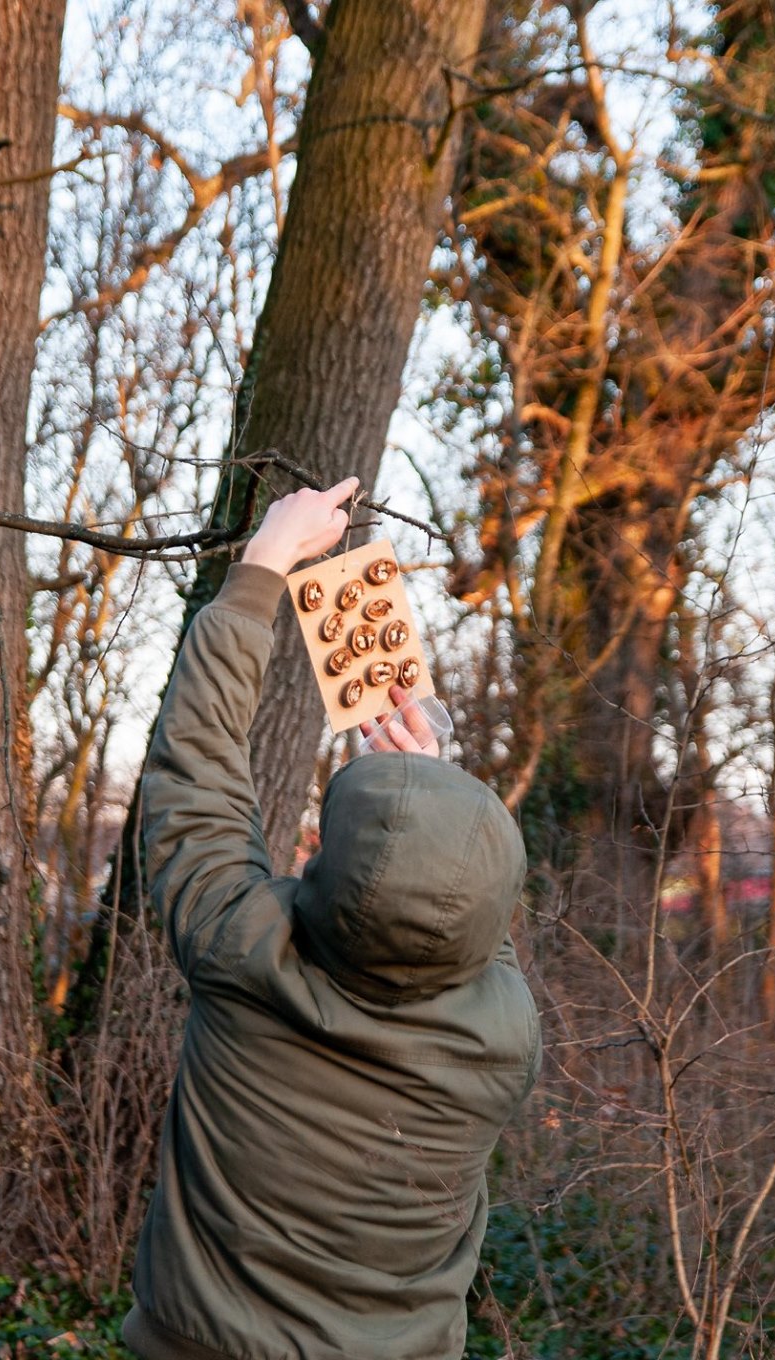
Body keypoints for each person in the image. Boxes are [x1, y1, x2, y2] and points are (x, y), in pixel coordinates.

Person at [122, 478, 541, 1360]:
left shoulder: (239, 949)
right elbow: (461, 904)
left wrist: (264, 564)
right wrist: (426, 791)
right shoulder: (506, 1041)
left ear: (321, 867)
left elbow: (197, 773)